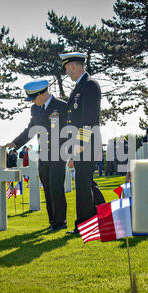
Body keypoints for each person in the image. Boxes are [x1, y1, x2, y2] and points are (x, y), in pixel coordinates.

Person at [4, 79, 68, 231]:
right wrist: (14, 143)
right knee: (46, 187)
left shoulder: (62, 106)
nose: (32, 101)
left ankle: (60, 222)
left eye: (33, 98)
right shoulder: (35, 109)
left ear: (43, 94)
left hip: (59, 153)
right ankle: (53, 221)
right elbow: (30, 130)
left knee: (56, 187)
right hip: (43, 153)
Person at [60, 52, 106, 234]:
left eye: (67, 68)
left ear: (72, 66)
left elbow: (89, 119)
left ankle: (84, 225)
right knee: (87, 182)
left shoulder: (89, 85)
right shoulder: (80, 86)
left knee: (82, 184)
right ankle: (105, 216)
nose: (67, 72)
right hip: (80, 143)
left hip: (86, 143)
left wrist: (79, 144)